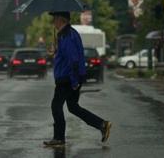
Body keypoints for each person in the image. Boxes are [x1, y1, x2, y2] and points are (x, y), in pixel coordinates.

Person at [43, 12, 112, 146]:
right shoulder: (67, 34)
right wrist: (56, 51)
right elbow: (67, 56)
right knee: (73, 107)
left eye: (54, 20)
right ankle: (102, 124)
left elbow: (73, 59)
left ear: (61, 20)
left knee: (56, 106)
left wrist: (74, 81)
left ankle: (59, 138)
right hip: (70, 77)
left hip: (67, 78)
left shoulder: (67, 35)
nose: (53, 23)